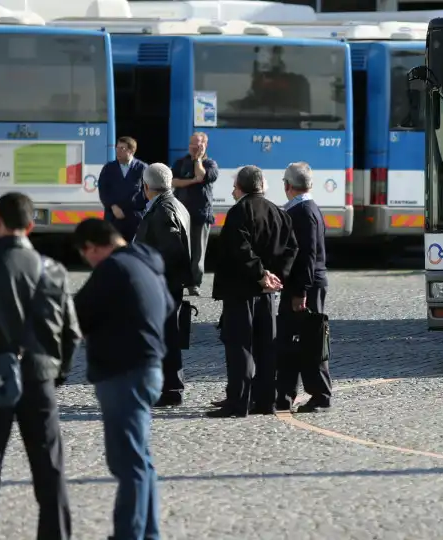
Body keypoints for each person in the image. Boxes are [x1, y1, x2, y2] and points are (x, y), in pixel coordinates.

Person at [0, 192, 79, 540]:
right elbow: (71, 332)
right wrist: (58, 373)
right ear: (30, 225)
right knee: (50, 469)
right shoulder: (53, 269)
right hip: (40, 379)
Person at [72, 218, 173, 540]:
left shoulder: (112, 269)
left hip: (123, 372)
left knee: (127, 462)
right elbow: (168, 306)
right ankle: (149, 533)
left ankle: (129, 535)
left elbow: (76, 314)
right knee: (141, 460)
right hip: (150, 367)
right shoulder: (146, 261)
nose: (88, 262)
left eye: (86, 255)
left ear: (93, 247)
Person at [209, 165, 297, 418]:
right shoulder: (278, 212)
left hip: (241, 291)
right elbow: (291, 247)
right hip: (268, 294)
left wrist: (260, 275)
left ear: (241, 187)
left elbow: (239, 248)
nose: (233, 191)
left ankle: (238, 402)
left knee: (240, 348)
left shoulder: (239, 212)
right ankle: (266, 401)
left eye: (234, 186)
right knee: (266, 347)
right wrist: (275, 275)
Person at [135, 163, 193, 408]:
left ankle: (168, 389)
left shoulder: (163, 211)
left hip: (161, 285)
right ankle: (168, 387)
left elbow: (170, 252)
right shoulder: (175, 205)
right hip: (167, 284)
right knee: (166, 336)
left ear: (146, 186)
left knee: (163, 338)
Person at [275, 162, 332, 413]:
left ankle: (320, 394)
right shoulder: (306, 208)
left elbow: (308, 255)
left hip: (305, 285)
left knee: (310, 341)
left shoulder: (303, 211)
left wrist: (301, 291)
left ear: (287, 185)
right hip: (301, 283)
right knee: (288, 340)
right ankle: (285, 394)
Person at [172, 132, 218, 297]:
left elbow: (202, 175)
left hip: (200, 214)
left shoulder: (210, 164)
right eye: (192, 144)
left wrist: (198, 160)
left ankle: (194, 284)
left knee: (198, 252)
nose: (194, 147)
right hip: (180, 214)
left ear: (205, 145)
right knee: (181, 250)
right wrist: (191, 181)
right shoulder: (180, 163)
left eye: (198, 144)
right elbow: (173, 181)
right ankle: (179, 281)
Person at [98, 136, 147, 243]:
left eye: (122, 148)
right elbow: (103, 190)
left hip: (135, 220)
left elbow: (147, 193)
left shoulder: (142, 168)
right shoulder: (109, 168)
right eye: (117, 148)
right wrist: (112, 206)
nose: (118, 151)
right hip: (114, 218)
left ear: (131, 151)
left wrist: (135, 211)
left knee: (134, 250)